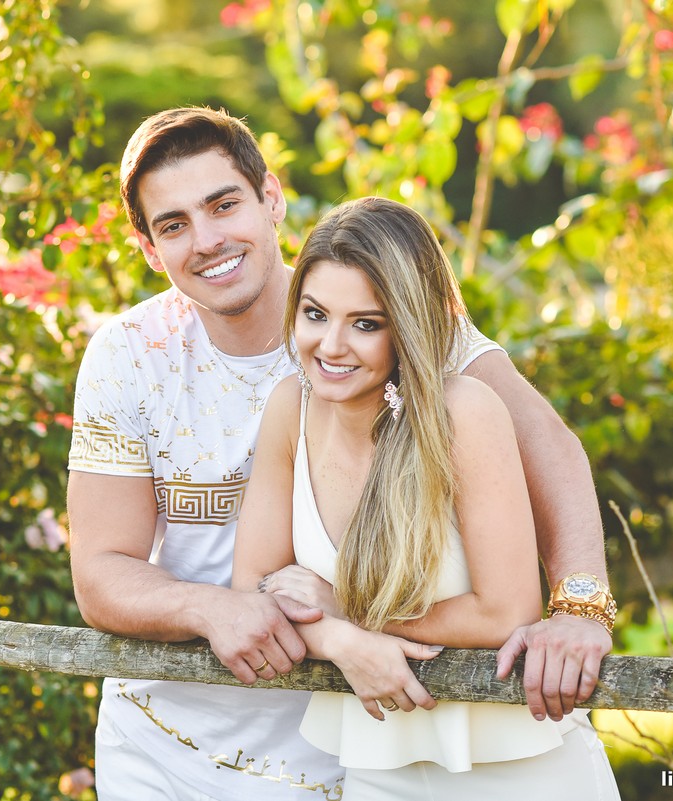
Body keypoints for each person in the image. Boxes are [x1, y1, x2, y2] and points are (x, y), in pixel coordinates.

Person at [66, 107, 615, 800]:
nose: (206, 240)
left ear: (271, 198)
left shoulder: (380, 301)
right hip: (163, 739)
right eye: (173, 225)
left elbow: (551, 450)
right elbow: (101, 570)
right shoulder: (128, 356)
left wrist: (580, 607)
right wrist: (215, 609)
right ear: (149, 248)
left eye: (224, 204)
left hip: (344, 736)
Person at [231, 197, 620, 799]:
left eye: (366, 323)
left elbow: (504, 612)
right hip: (377, 765)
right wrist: (337, 641)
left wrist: (343, 609)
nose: (331, 346)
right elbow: (250, 586)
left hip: (519, 766)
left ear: (407, 325)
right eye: (314, 313)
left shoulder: (462, 410)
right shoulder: (290, 407)